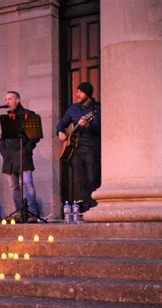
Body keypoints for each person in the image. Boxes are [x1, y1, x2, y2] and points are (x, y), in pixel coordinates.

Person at [57, 82, 101, 213]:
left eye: (80, 92)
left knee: (93, 179)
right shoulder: (73, 108)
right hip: (75, 151)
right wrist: (60, 132)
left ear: (87, 93)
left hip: (91, 149)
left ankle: (94, 210)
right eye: (77, 91)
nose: (77, 94)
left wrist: (88, 125)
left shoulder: (96, 108)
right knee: (81, 182)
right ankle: (86, 210)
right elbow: (62, 123)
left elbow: (99, 127)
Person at [0, 91, 40, 223]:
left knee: (28, 184)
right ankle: (18, 213)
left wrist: (27, 149)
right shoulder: (7, 117)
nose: (7, 101)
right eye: (6, 99)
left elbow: (35, 136)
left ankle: (32, 213)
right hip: (9, 158)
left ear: (17, 100)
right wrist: (3, 151)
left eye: (10, 99)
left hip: (23, 155)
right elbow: (2, 137)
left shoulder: (28, 114)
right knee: (13, 187)